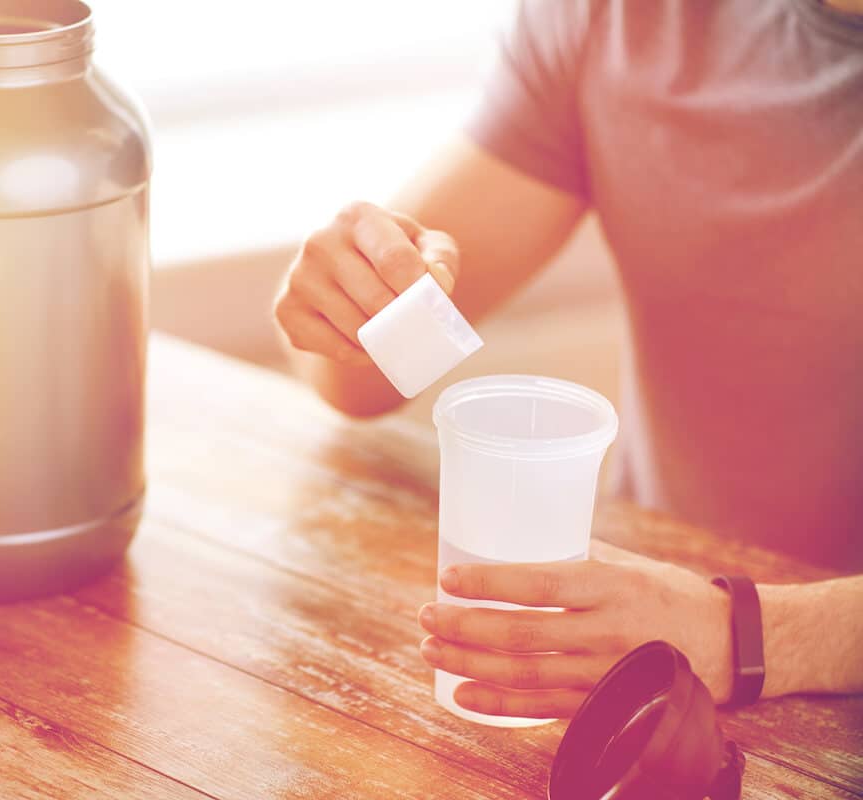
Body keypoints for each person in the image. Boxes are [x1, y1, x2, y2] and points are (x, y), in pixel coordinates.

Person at [274, 0, 863, 718]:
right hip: (647, 659)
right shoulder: (617, 20)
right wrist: (350, 292)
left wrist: (742, 634)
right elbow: (354, 379)